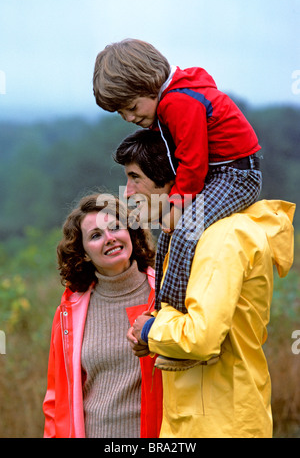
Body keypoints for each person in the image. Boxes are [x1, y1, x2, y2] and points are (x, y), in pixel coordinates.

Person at [114, 129, 295, 438]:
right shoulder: (190, 236)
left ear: (171, 179)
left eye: (135, 178)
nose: (126, 191)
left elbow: (201, 337)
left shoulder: (220, 238)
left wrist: (148, 330)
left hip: (222, 425)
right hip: (197, 422)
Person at [93, 39, 262, 370]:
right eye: (121, 113)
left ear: (149, 84)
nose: (128, 117)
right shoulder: (172, 97)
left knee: (185, 230)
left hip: (235, 175)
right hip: (218, 173)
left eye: (131, 106)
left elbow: (194, 164)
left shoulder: (176, 103)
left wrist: (175, 206)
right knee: (169, 236)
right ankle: (161, 319)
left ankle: (180, 331)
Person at [43, 192, 162, 438]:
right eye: (96, 236)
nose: (109, 238)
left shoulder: (165, 294)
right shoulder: (68, 313)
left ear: (130, 232)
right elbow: (55, 401)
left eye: (115, 228)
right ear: (84, 253)